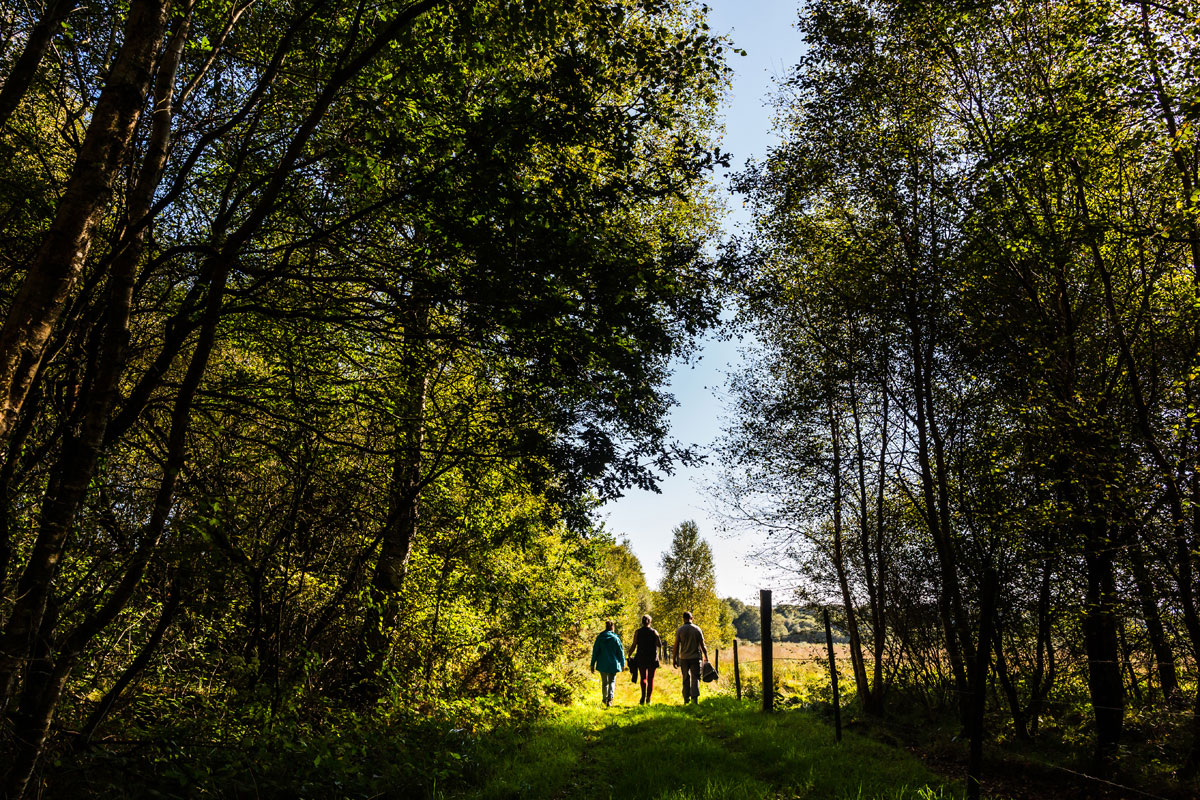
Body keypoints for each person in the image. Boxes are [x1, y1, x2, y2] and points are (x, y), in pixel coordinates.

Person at [672, 611, 709, 704]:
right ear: (691, 618)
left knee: (685, 677)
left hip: (684, 658)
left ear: (683, 618)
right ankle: (694, 699)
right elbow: (702, 645)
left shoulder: (680, 630)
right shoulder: (697, 629)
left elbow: (676, 646)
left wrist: (674, 659)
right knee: (695, 678)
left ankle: (686, 698)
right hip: (695, 657)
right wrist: (706, 656)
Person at [627, 614, 663, 705]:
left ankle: (643, 696)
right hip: (652, 658)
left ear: (642, 622)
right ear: (650, 622)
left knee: (643, 677)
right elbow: (659, 645)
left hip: (641, 657)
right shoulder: (654, 632)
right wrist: (657, 636)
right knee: (651, 679)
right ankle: (648, 698)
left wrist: (629, 654)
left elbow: (634, 644)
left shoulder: (637, 632)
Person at [590, 620, 625, 707]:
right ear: (612, 627)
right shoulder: (616, 638)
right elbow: (620, 652)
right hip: (613, 664)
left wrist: (592, 664)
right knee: (612, 681)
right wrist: (622, 663)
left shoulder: (600, 638)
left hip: (602, 664)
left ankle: (604, 699)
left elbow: (595, 652)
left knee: (604, 682)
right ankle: (610, 699)